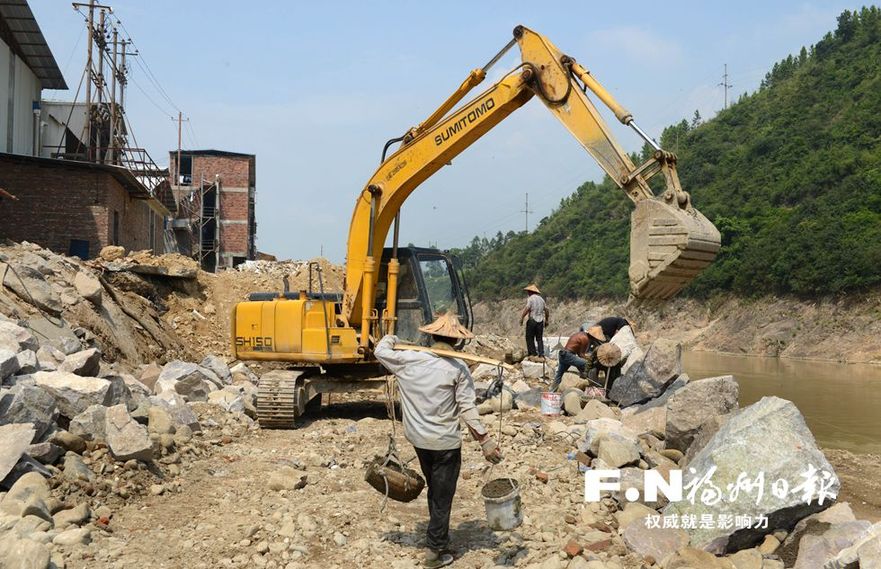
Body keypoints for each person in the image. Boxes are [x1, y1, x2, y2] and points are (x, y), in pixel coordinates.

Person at [374, 313, 503, 569]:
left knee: (436, 490)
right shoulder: (458, 368)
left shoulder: (407, 359)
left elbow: (380, 349)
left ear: (431, 336)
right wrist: (486, 442)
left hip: (418, 440)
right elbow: (467, 409)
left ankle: (440, 538)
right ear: (456, 342)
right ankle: (434, 552)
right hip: (445, 445)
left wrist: (393, 337)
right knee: (443, 497)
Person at [551, 324, 606, 391]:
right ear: (593, 336)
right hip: (568, 355)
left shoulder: (581, 334)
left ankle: (552, 391)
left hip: (563, 354)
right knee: (586, 364)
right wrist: (589, 359)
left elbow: (578, 351)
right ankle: (590, 384)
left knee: (559, 375)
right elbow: (581, 354)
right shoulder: (585, 339)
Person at [520, 284, 549, 359]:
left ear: (530, 292)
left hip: (533, 320)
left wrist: (522, 317)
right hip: (540, 321)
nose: (528, 293)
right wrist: (546, 320)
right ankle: (541, 354)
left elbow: (527, 308)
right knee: (539, 338)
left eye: (528, 292)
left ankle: (532, 353)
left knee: (529, 337)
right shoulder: (541, 299)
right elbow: (546, 310)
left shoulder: (531, 298)